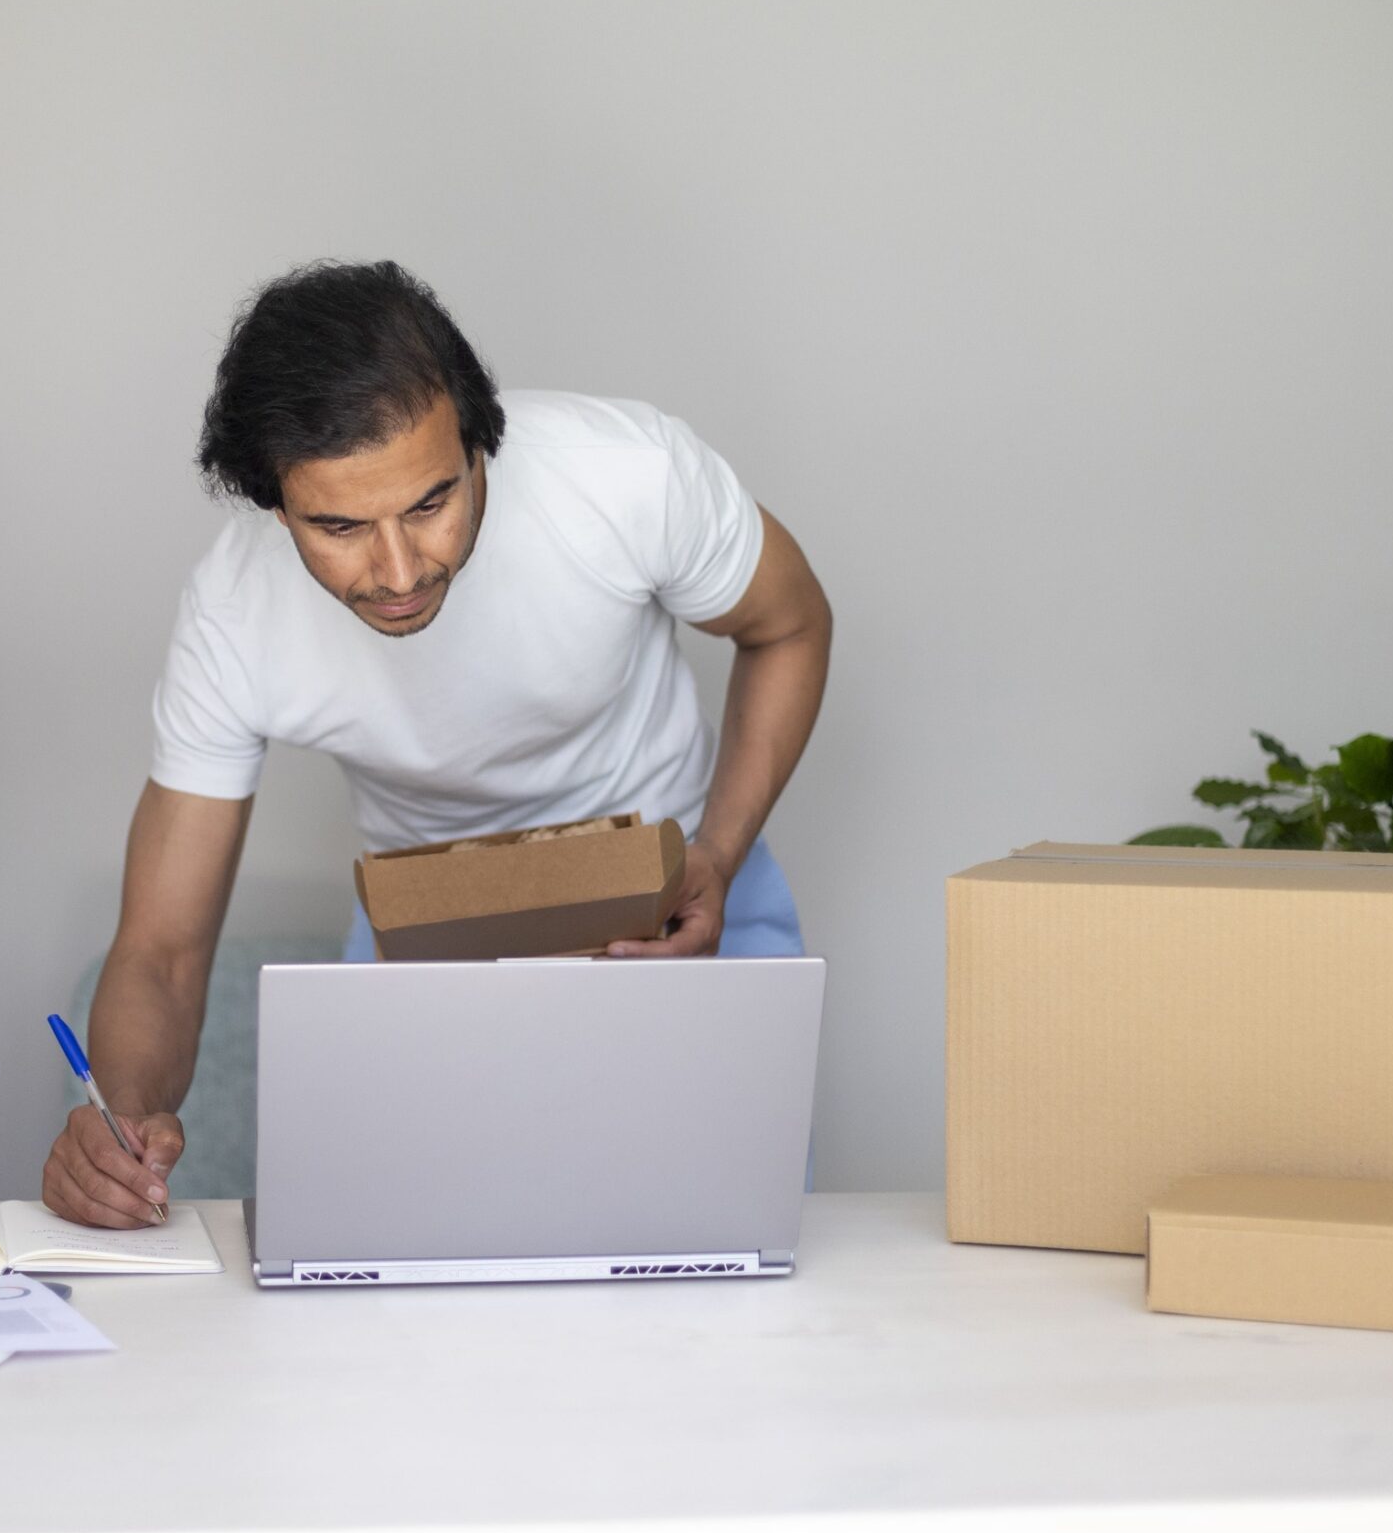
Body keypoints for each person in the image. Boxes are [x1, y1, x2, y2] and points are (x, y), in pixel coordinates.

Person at [41, 261, 833, 1228]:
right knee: (400, 1277)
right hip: (427, 926)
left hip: (681, 890)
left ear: (477, 442)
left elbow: (790, 626)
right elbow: (162, 948)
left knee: (721, 1259)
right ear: (271, 503)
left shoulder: (625, 473)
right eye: (338, 526)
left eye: (430, 503)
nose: (401, 569)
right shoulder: (235, 611)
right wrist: (120, 1126)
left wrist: (718, 850)